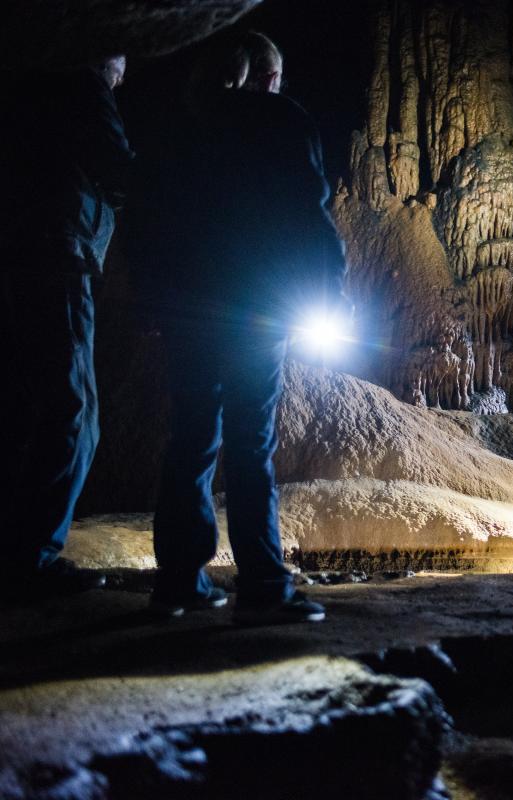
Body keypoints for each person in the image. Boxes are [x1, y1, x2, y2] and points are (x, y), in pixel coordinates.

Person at [129, 32, 346, 623]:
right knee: (252, 442)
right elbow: (309, 210)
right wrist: (332, 288)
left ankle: (177, 579)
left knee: (191, 436)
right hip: (255, 305)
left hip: (189, 306)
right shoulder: (282, 120)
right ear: (267, 76)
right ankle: (262, 585)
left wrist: (149, 296)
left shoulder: (180, 126)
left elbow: (147, 216)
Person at [0, 56, 133, 596]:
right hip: (60, 256)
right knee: (76, 411)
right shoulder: (86, 86)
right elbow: (118, 169)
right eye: (123, 58)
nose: (128, 70)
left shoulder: (39, 94)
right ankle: (32, 557)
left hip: (35, 253)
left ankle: (22, 548)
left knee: (38, 404)